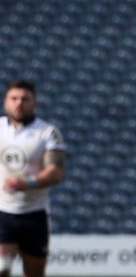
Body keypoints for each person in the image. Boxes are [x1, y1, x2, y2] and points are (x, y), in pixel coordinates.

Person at [0, 80, 66, 277]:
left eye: (25, 99)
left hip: (33, 215)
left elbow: (54, 173)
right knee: (2, 267)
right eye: (14, 98)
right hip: (3, 211)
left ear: (34, 103)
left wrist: (27, 183)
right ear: (5, 102)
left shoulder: (47, 133)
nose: (19, 103)